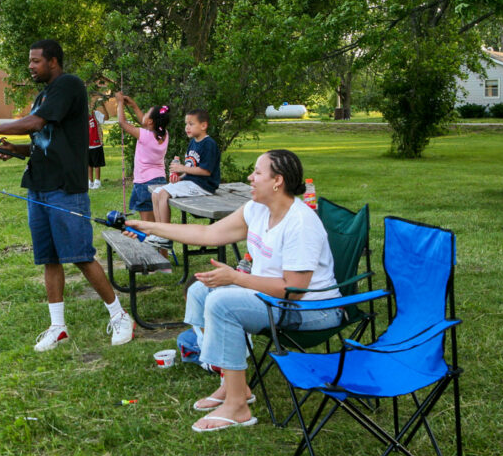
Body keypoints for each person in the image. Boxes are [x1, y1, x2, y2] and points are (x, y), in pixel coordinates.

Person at [125, 149, 341, 432]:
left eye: (258, 173)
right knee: (200, 291)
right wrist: (148, 226)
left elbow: (294, 291)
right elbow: (207, 234)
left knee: (222, 302)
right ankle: (232, 385)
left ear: (278, 181)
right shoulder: (258, 209)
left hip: (313, 311)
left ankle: (238, 407)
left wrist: (236, 279)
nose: (250, 177)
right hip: (276, 299)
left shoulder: (300, 223)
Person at [0, 39, 134, 351]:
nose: (31, 66)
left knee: (80, 255)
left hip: (65, 188)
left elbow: (36, 123)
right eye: (30, 61)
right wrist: (16, 149)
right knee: (50, 258)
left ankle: (120, 316)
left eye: (36, 61)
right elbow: (43, 139)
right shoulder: (42, 96)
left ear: (53, 61)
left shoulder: (69, 85)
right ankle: (58, 327)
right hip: (38, 186)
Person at [143, 109, 220, 250]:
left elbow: (205, 171)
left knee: (163, 193)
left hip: (203, 186)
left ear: (203, 126)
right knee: (156, 193)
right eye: (186, 124)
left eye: (191, 124)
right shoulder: (193, 143)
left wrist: (182, 169)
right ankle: (159, 232)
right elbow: (192, 168)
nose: (187, 127)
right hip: (191, 182)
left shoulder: (208, 144)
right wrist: (180, 176)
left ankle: (166, 236)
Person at [114, 91, 170, 223]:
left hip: (144, 182)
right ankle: (161, 239)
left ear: (150, 121)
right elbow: (146, 123)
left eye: (146, 114)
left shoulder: (145, 135)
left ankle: (150, 240)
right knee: (158, 221)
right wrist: (133, 105)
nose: (143, 116)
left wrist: (120, 103)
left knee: (147, 224)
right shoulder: (164, 134)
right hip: (160, 180)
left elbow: (122, 123)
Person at [87, 98, 106, 190]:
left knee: (96, 164)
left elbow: (106, 117)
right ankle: (90, 181)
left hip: (96, 143)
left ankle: (97, 181)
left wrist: (103, 105)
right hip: (86, 144)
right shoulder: (80, 116)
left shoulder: (95, 114)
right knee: (88, 164)